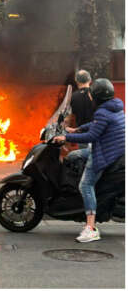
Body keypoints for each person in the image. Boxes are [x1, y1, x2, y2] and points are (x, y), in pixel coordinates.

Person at [54, 78, 125, 243]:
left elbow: (92, 135)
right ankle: (71, 194)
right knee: (73, 156)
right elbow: (96, 125)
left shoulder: (102, 111)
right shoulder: (114, 107)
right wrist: (77, 128)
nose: (90, 97)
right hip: (113, 149)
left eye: (92, 94)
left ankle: (91, 228)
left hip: (105, 153)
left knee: (85, 185)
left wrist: (66, 136)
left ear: (97, 97)